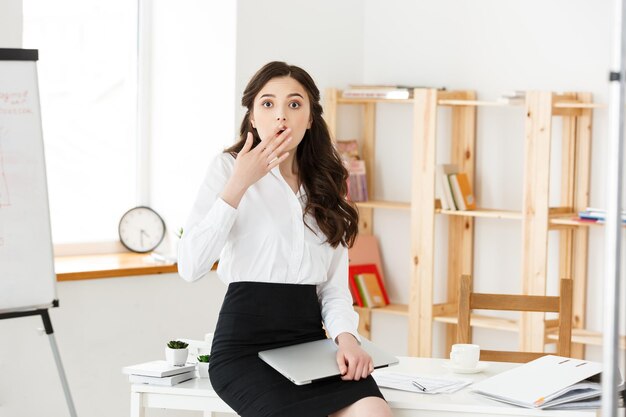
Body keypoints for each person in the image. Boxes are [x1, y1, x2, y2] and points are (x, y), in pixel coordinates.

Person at [178, 61, 393, 417]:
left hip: (309, 346)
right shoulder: (226, 169)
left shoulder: (326, 185)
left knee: (375, 411)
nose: (281, 116)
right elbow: (190, 266)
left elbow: (334, 289)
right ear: (252, 116)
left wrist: (348, 340)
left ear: (310, 118)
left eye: (294, 104)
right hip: (244, 349)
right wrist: (239, 183)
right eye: (268, 104)